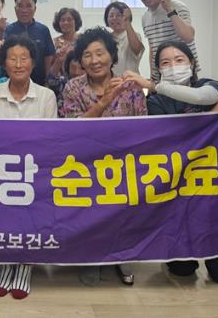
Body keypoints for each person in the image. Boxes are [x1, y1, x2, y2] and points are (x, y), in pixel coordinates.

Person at [123, 40, 218, 287]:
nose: (173, 66)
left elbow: (204, 97)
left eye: (179, 60)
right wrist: (211, 114)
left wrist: (151, 84)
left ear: (191, 63)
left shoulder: (206, 86)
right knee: (182, 270)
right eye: (165, 63)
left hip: (211, 182)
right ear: (159, 69)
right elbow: (172, 135)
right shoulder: (156, 101)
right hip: (176, 183)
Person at [61, 27, 145, 286]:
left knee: (123, 212)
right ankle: (91, 256)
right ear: (80, 60)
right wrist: (102, 103)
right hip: (84, 164)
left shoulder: (131, 87)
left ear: (112, 55)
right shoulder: (73, 87)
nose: (94, 60)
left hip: (122, 165)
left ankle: (123, 257)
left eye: (100, 53)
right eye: (87, 55)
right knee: (87, 214)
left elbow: (143, 128)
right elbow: (70, 129)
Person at [0, 35, 57, 299]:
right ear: (4, 63)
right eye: (12, 59)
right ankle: (6, 264)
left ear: (33, 63)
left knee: (31, 217)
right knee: (3, 219)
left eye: (23, 58)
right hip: (0, 172)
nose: (18, 64)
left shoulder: (46, 96)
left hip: (35, 172)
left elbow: (51, 141)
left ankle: (25, 266)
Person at [133, 0, 199, 82]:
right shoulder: (145, 17)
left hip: (184, 72)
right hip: (163, 74)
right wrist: (153, 76)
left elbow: (188, 37)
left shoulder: (177, 6)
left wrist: (169, 9)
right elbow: (153, 48)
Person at [3, 0, 55, 86]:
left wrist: (47, 79)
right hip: (13, 81)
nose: (24, 10)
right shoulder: (8, 30)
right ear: (15, 9)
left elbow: (48, 56)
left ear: (35, 9)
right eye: (20, 6)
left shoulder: (43, 30)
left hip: (39, 82)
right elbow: (2, 55)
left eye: (28, 6)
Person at [104, 1, 144, 76]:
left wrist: (127, 22)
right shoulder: (105, 38)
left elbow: (137, 50)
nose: (114, 18)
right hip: (112, 80)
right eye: (111, 16)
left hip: (131, 79)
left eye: (119, 15)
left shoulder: (134, 35)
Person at [50, 7, 82, 78]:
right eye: (62, 20)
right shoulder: (54, 43)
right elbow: (51, 69)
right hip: (61, 80)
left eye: (69, 20)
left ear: (76, 22)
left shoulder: (83, 39)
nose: (66, 22)